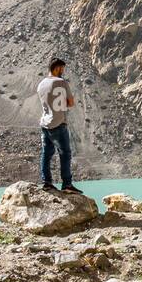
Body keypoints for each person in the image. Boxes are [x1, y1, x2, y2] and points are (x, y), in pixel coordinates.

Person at [37, 58, 82, 194]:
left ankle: (47, 183)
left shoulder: (41, 84)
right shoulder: (61, 82)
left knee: (47, 153)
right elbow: (70, 102)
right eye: (62, 69)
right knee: (65, 153)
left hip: (45, 123)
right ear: (56, 68)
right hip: (59, 122)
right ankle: (67, 184)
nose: (63, 72)